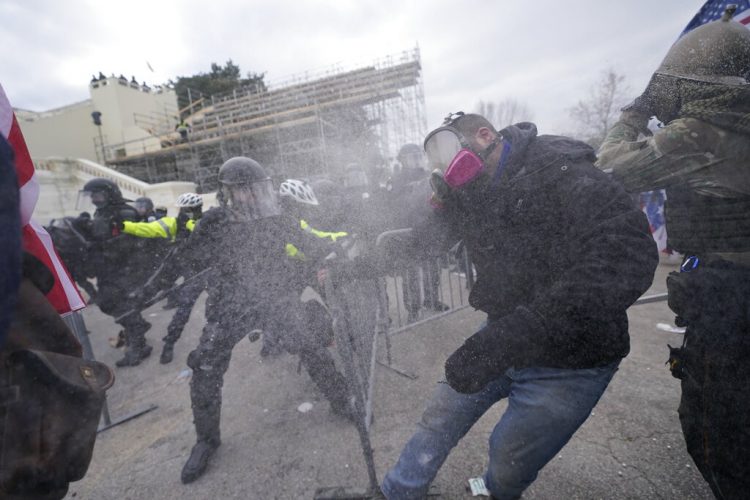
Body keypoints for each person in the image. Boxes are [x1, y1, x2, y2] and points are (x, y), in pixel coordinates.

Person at [380, 112, 658, 499]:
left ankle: (493, 491)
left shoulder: (561, 169)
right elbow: (424, 244)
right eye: (437, 160)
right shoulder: (472, 194)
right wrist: (357, 267)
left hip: (571, 359)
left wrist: (517, 333)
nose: (446, 168)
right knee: (441, 414)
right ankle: (397, 492)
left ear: (484, 135)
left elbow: (626, 255)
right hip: (504, 336)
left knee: (509, 459)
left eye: (448, 150)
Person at [596, 9, 750, 498]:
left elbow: (610, 169)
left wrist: (635, 112)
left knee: (717, 429)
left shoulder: (703, 133)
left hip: (732, 298)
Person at [152, 158, 353, 484]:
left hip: (276, 299)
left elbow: (309, 242)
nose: (251, 195)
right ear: (228, 191)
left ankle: (343, 402)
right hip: (230, 306)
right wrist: (163, 280)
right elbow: (186, 258)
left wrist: (337, 249)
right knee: (204, 366)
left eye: (256, 188)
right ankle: (206, 440)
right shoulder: (214, 222)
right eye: (243, 189)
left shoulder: (277, 218)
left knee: (310, 346)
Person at [77, 178, 154, 367]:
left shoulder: (125, 211)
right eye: (92, 196)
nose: (94, 199)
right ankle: (138, 328)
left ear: (109, 193)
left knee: (121, 305)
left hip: (127, 269)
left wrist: (100, 246)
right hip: (109, 268)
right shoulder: (101, 212)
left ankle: (137, 346)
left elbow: (130, 240)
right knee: (107, 303)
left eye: (97, 194)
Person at [121, 192, 204, 363]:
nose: (186, 212)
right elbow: (149, 229)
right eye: (184, 209)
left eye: (191, 209)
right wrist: (123, 226)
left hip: (204, 269)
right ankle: (169, 343)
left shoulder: (205, 222)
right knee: (183, 307)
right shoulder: (174, 222)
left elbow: (201, 229)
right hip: (182, 264)